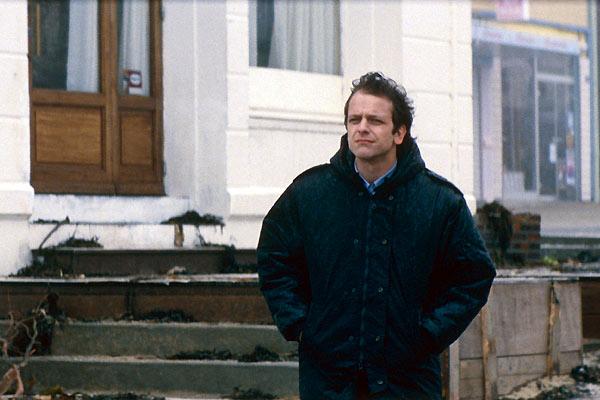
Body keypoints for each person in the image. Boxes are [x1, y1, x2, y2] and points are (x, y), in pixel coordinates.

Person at [257, 71, 496, 399]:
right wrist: (300, 324)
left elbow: (473, 276)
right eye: (354, 119)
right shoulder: (310, 194)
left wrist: (428, 334)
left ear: (399, 132)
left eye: (375, 120)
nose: (362, 128)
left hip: (406, 381)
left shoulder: (439, 202)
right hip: (329, 380)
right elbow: (274, 257)